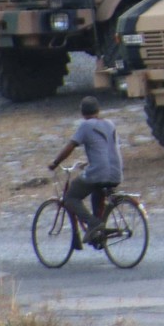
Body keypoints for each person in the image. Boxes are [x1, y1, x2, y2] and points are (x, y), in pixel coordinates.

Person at [49, 97, 122, 248]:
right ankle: (97, 233)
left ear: (82, 112)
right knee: (97, 192)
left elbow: (70, 147)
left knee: (70, 197)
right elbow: (105, 150)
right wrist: (88, 164)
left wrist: (55, 163)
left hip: (99, 173)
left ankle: (93, 223)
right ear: (98, 110)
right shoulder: (110, 124)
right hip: (116, 173)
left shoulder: (86, 126)